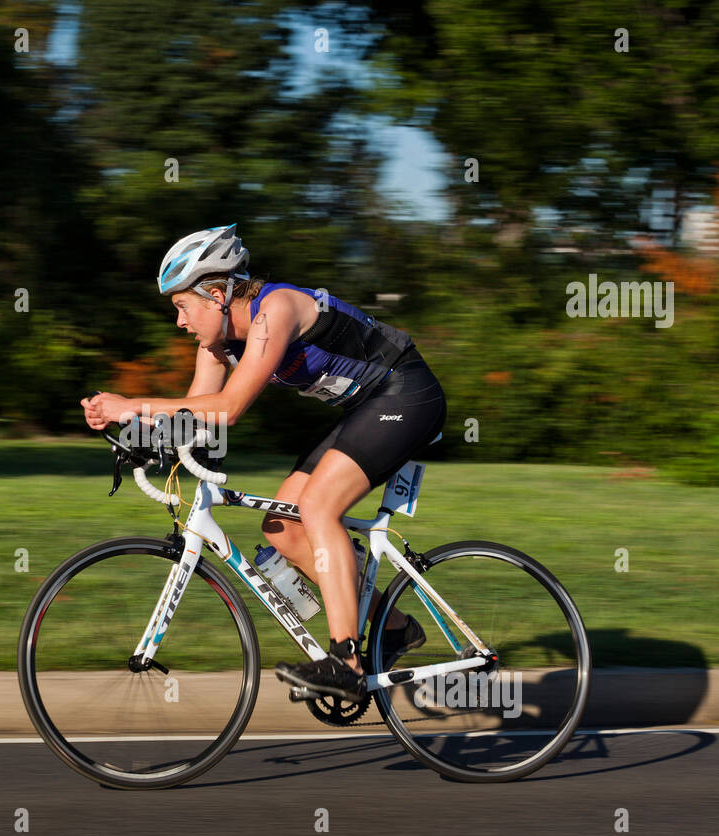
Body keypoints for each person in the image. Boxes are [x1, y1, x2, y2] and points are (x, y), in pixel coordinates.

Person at [82, 224, 447, 704]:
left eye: (181, 306)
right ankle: (395, 627)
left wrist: (132, 404)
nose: (179, 322)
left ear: (215, 295)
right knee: (283, 527)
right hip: (366, 409)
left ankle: (346, 662)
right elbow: (199, 412)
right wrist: (143, 438)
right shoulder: (217, 342)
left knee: (316, 507)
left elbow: (230, 407)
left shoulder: (276, 309)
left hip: (407, 395)